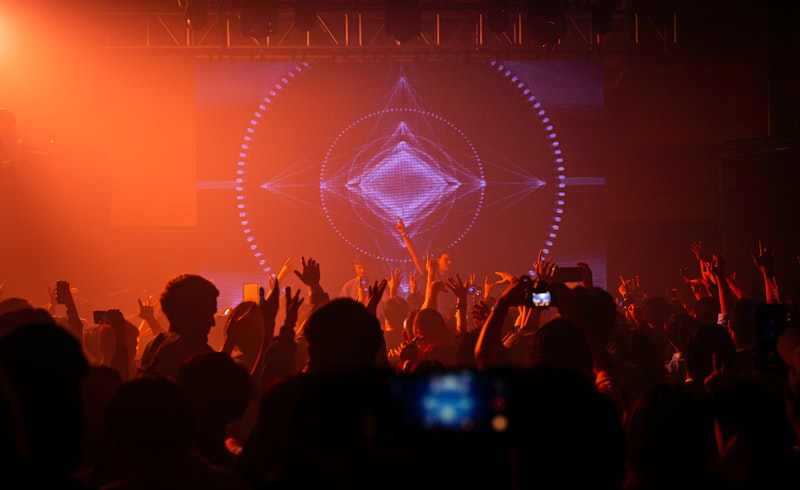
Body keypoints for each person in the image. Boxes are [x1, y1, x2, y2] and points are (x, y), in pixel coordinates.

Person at [140, 274, 219, 379]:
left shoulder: (153, 346)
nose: (212, 322)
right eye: (208, 314)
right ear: (188, 313)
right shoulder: (196, 354)